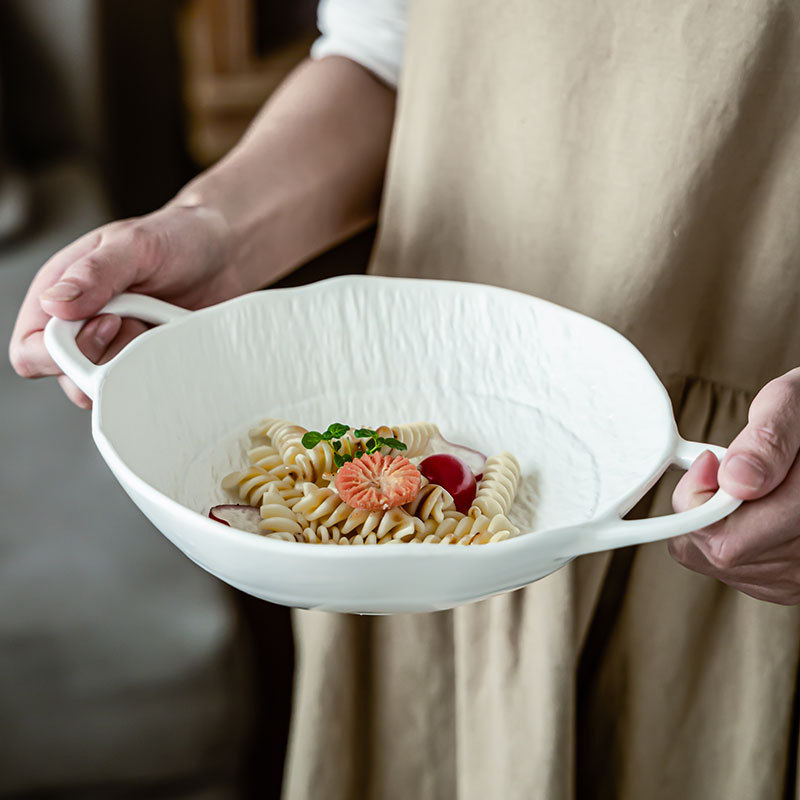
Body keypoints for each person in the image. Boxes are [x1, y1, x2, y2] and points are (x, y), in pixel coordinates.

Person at [9, 1, 800, 797]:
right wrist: (216, 227)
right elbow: (382, 53)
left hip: (735, 487)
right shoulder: (365, 506)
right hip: (403, 560)